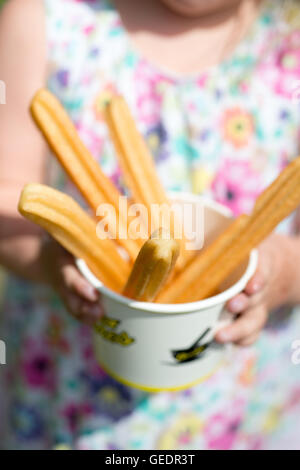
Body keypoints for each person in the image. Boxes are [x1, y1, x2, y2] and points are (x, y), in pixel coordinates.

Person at [0, 0, 300, 450]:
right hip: (66, 403)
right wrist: (48, 259)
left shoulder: (289, 43)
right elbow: (9, 196)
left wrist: (278, 271)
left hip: (240, 414)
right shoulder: (47, 17)